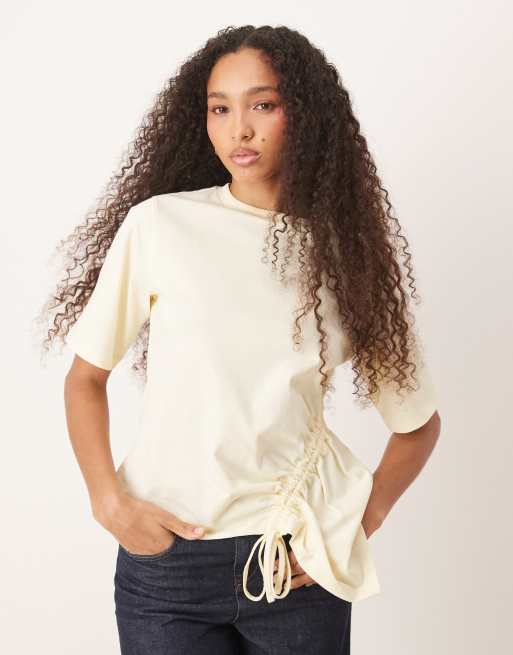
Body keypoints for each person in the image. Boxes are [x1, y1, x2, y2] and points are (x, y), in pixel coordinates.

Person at [45, 24, 441, 655]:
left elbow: (417, 424)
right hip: (165, 566)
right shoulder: (161, 226)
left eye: (263, 105)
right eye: (220, 109)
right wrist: (107, 501)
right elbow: (85, 379)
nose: (240, 131)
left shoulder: (345, 258)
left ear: (304, 115)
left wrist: (354, 528)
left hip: (293, 562)